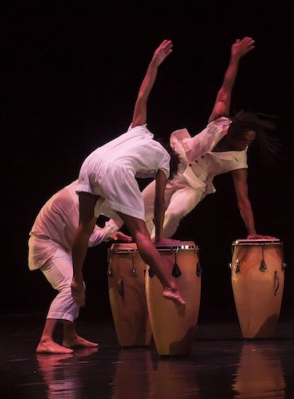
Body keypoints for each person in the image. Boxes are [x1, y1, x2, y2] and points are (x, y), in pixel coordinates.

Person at [70, 39, 185, 308]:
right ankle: (170, 286)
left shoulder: (139, 129)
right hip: (116, 169)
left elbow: (142, 94)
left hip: (91, 160)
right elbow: (158, 200)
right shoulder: (165, 159)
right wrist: (158, 237)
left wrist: (154, 62)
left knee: (84, 225)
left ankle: (76, 278)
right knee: (140, 234)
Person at [141, 37, 277, 240]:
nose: (245, 145)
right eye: (243, 140)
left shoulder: (238, 161)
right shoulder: (219, 122)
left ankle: (153, 250)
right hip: (174, 170)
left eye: (249, 142)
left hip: (194, 186)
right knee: (137, 209)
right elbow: (226, 89)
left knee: (174, 213)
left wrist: (252, 232)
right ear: (232, 132)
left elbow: (243, 200)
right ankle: (108, 233)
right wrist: (235, 57)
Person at [29, 181, 130, 354]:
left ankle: (69, 336)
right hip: (46, 245)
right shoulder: (73, 201)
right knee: (71, 286)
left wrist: (108, 234)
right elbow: (87, 238)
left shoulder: (81, 192)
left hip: (58, 244)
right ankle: (45, 340)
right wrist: (114, 224)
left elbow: (84, 225)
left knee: (76, 286)